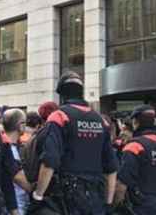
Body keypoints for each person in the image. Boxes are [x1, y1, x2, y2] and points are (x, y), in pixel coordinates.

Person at [31, 71, 118, 215]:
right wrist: (108, 203)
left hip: (67, 197)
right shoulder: (101, 121)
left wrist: (38, 195)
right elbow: (111, 167)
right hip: (96, 196)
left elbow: (50, 161)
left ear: (62, 94)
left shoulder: (59, 116)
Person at [113, 105, 156, 215]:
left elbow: (122, 184)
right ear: (154, 122)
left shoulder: (134, 146)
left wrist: (113, 206)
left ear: (135, 122)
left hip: (141, 207)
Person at [3, 108, 29, 215]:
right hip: (16, 207)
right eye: (24, 123)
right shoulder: (9, 149)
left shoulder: (6, 146)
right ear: (20, 125)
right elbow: (18, 178)